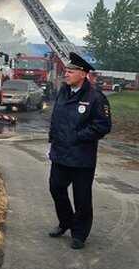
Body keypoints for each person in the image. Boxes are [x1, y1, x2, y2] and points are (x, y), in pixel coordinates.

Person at [48, 52, 112, 249]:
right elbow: (55, 119)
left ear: (83, 74)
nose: (66, 74)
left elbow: (103, 126)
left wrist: (78, 136)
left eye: (70, 71)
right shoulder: (62, 92)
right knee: (56, 189)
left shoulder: (95, 98)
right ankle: (66, 222)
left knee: (82, 198)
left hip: (81, 157)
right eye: (66, 71)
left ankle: (79, 233)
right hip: (60, 154)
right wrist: (52, 139)